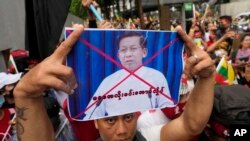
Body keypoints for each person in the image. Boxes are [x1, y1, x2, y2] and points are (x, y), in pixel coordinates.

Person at [13, 24, 215, 141]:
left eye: (128, 117)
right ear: (95, 122)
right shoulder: (105, 84)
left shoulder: (147, 136)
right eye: (110, 120)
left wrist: (207, 77)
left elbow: (191, 126)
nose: (122, 131)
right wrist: (25, 95)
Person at [83, 31, 173, 120]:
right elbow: (92, 114)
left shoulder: (157, 76)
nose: (128, 54)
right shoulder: (108, 81)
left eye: (133, 49)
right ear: (118, 55)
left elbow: (167, 109)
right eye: (123, 50)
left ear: (144, 52)